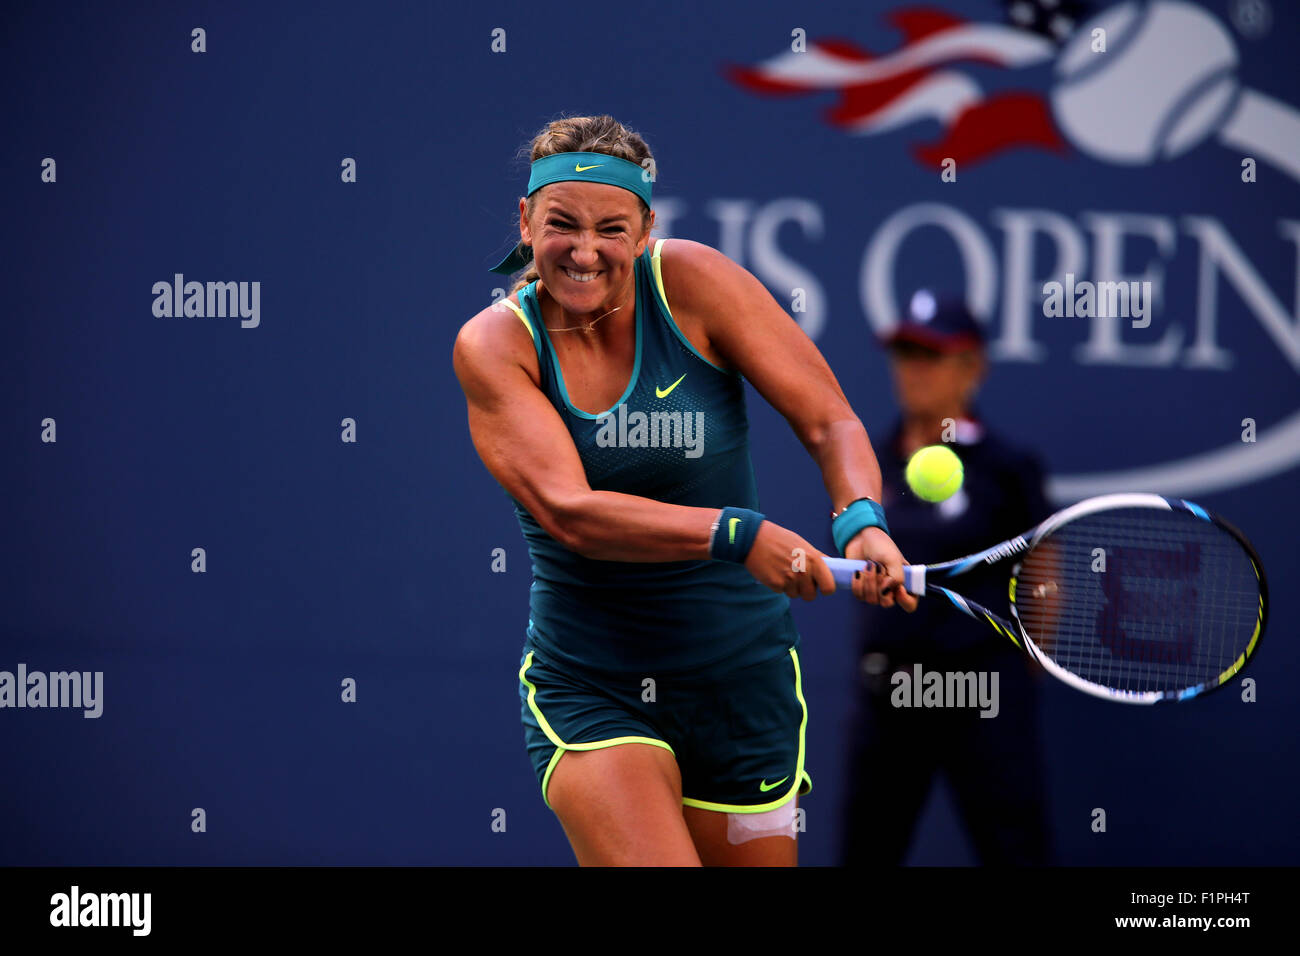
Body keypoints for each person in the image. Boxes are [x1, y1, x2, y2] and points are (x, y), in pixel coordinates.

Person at [453, 114, 917, 866]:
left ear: (644, 230)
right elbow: (571, 514)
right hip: (593, 684)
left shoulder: (695, 283)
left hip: (742, 684)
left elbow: (831, 422)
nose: (584, 250)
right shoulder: (495, 345)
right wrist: (740, 535)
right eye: (561, 224)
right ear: (525, 221)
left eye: (611, 229)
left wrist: (862, 522)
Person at [840, 291, 1054, 866]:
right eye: (905, 354)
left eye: (931, 355)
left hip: (984, 693)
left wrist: (1017, 670)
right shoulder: (867, 461)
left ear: (972, 367)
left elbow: (1045, 579)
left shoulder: (1010, 469)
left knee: (1017, 851)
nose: (914, 370)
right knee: (865, 851)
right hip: (889, 690)